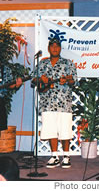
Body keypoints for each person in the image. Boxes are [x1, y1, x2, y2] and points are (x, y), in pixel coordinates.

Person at [32, 38, 77, 169]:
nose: (55, 48)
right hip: (47, 101)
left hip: (64, 102)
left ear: (60, 48)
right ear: (48, 48)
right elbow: (33, 79)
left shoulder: (68, 63)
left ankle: (67, 156)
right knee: (51, 129)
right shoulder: (42, 63)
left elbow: (74, 81)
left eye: (57, 46)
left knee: (65, 129)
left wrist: (68, 81)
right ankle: (54, 156)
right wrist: (41, 78)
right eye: (52, 46)